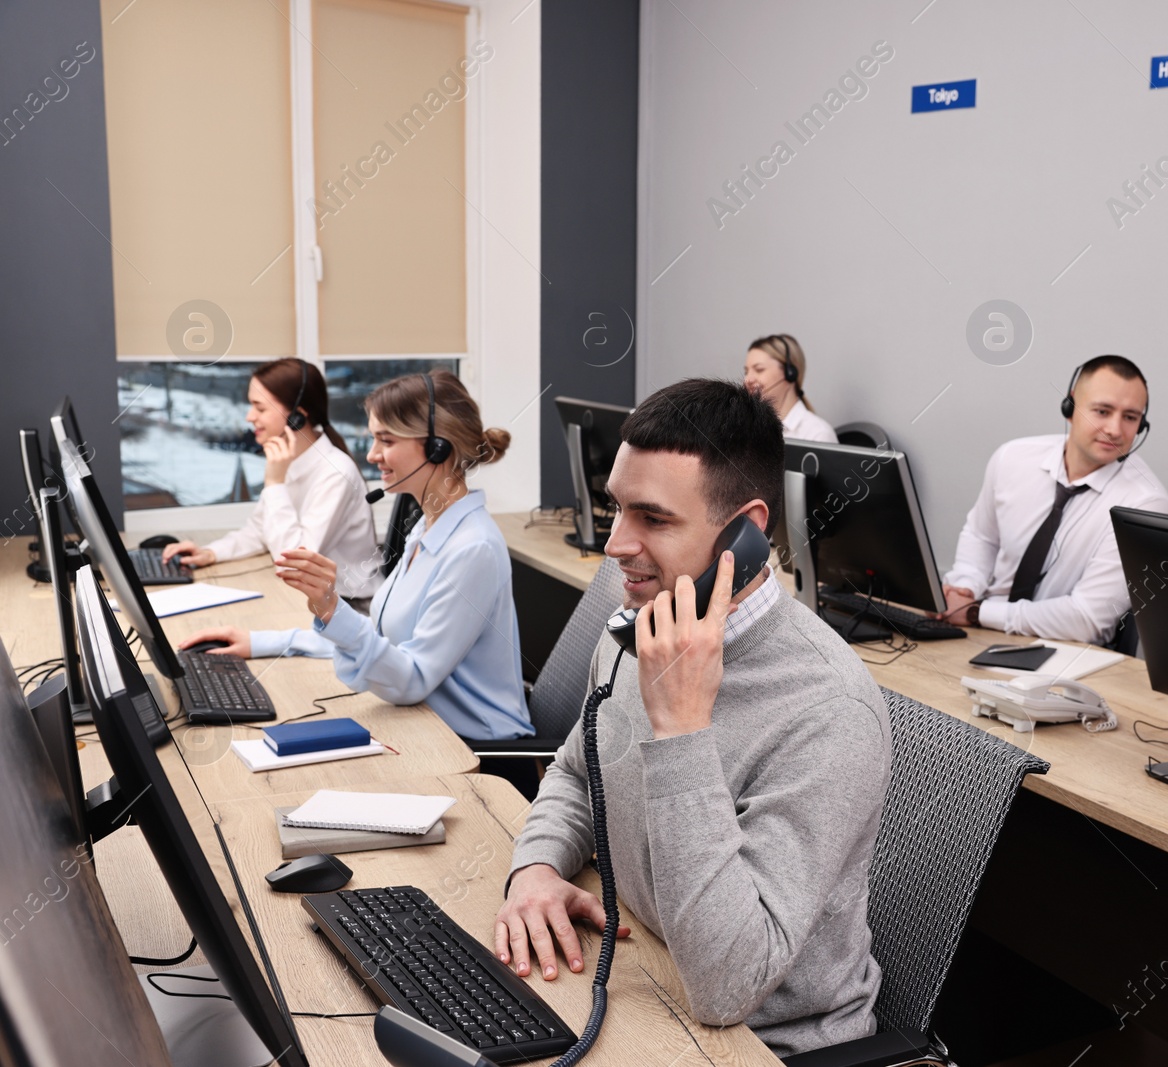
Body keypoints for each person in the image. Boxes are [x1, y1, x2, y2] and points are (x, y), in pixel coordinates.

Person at [494, 378, 889, 1058]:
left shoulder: (828, 709)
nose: (616, 544)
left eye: (653, 517)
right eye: (617, 507)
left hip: (765, 1043)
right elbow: (574, 771)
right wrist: (534, 866)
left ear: (747, 530)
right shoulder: (642, 627)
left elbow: (728, 985)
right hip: (638, 971)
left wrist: (682, 728)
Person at [179, 370, 532, 743]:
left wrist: (330, 606)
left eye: (386, 440)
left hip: (474, 748)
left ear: (437, 447)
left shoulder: (472, 548)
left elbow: (411, 681)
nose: (371, 454)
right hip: (424, 726)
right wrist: (261, 642)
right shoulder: (427, 527)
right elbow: (379, 638)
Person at [941, 355, 1168, 644]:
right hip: (974, 630)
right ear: (1070, 406)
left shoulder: (1144, 502)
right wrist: (965, 588)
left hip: (1061, 653)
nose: (1115, 429)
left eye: (1130, 417)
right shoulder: (1012, 457)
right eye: (1102, 411)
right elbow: (982, 536)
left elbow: (1087, 619)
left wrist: (978, 612)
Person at [161, 358, 380, 599]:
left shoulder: (336, 473)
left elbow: (294, 562)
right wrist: (211, 552)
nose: (249, 416)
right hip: (313, 600)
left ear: (297, 416)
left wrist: (275, 484)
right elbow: (260, 531)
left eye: (260, 408)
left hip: (350, 605)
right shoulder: (289, 459)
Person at [743, 333, 838, 442]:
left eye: (759, 370)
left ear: (790, 374)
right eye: (746, 371)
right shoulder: (748, 429)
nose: (747, 380)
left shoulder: (817, 434)